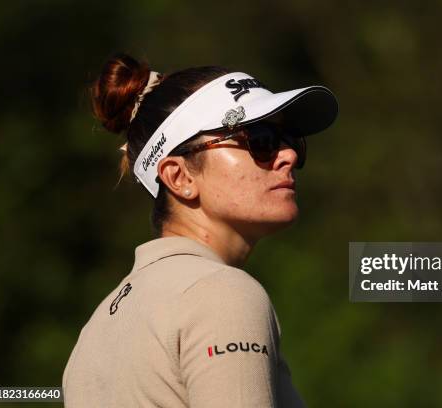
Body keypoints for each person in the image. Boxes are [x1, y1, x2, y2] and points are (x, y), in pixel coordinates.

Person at [61, 53, 338, 407]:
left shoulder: (93, 334)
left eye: (290, 140)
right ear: (180, 176)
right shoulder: (222, 294)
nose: (288, 156)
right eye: (260, 138)